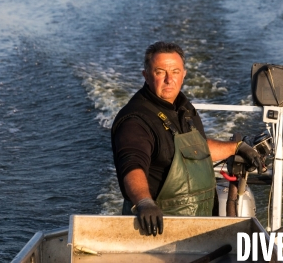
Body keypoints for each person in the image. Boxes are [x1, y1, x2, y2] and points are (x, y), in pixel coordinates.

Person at [111, 41, 262, 236]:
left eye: (175, 71)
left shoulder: (184, 108)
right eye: (160, 72)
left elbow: (196, 147)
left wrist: (237, 147)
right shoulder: (135, 120)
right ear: (146, 76)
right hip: (159, 228)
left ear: (184, 74)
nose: (169, 79)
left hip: (202, 224)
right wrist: (144, 202)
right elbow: (132, 166)